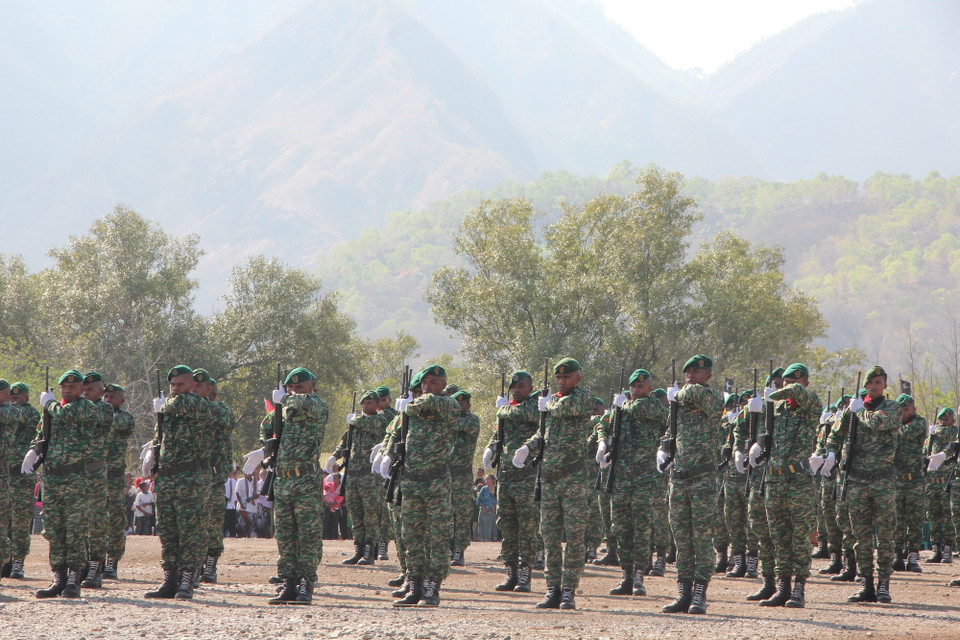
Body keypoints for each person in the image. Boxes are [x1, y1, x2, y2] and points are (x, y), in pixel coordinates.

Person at [513, 357, 593, 611]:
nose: (561, 381)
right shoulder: (552, 402)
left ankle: (568, 590)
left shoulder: (581, 398)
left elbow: (564, 409)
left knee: (575, 537)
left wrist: (547, 405)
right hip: (548, 479)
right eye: (558, 377)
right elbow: (543, 432)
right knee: (549, 537)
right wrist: (528, 446)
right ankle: (552, 589)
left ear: (577, 378)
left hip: (573, 480)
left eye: (566, 377)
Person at [249, 366, 328, 604]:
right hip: (282, 480)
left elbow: (306, 404)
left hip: (305, 480)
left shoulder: (315, 404)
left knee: (307, 535)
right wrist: (266, 449)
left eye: (299, 387)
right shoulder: (280, 412)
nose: (294, 391)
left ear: (311, 387)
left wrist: (285, 399)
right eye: (290, 387)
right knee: (285, 536)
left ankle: (305, 584)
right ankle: (288, 583)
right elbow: (266, 429)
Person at [824, 365, 901, 603]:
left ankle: (884, 585)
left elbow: (878, 424)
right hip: (856, 480)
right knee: (861, 536)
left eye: (879, 382)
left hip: (882, 481)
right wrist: (827, 453)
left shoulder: (892, 408)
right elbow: (834, 434)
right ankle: (866, 584)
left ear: (885, 386)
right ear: (865, 386)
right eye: (871, 383)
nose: (874, 386)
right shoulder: (854, 410)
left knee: (886, 535)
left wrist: (858, 411)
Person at [385, 364, 459, 607]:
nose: (427, 387)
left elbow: (432, 403)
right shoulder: (411, 411)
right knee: (412, 536)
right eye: (425, 382)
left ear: (443, 386)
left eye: (434, 383)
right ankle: (415, 584)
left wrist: (410, 405)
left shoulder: (446, 405)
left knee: (438, 537)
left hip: (436, 482)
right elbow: (396, 434)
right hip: (411, 481)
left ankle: (432, 587)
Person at [21, 370, 99, 598]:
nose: (67, 390)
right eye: (64, 386)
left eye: (72, 387)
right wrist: (34, 449)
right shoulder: (53, 410)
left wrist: (50, 403)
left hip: (75, 478)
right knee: (54, 530)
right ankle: (59, 577)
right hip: (52, 478)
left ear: (82, 389)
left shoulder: (85, 408)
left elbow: (64, 415)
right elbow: (42, 434)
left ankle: (74, 579)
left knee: (74, 529)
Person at [749, 363, 821, 608]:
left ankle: (799, 589)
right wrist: (758, 445)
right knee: (778, 537)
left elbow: (798, 394)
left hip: (798, 479)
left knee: (799, 538)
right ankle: (783, 588)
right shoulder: (775, 409)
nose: (790, 385)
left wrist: (774, 393)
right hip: (774, 479)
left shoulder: (810, 403)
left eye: (795, 382)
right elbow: (765, 435)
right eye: (787, 381)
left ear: (806, 383)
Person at [657, 355, 724, 615]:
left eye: (697, 372)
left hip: (703, 477)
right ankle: (683, 592)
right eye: (688, 372)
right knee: (682, 539)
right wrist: (663, 450)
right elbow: (672, 432)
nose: (691, 376)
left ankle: (700, 594)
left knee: (701, 538)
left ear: (708, 375)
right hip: (680, 478)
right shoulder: (680, 403)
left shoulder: (711, 397)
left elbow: (706, 400)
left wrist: (680, 393)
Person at [143, 364, 213, 600]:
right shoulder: (168, 411)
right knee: (168, 529)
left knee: (190, 530)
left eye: (180, 384)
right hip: (169, 477)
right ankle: (170, 579)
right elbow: (159, 437)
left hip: (191, 478)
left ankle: (187, 580)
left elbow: (180, 404)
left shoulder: (196, 404)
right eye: (172, 385)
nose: (174, 389)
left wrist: (163, 407)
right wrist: (153, 454)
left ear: (192, 386)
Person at [597, 369, 667, 598]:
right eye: (633, 387)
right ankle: (626, 576)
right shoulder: (620, 409)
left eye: (640, 386)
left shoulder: (652, 405)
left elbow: (640, 409)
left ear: (649, 388)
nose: (636, 390)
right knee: (621, 528)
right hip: (620, 478)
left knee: (641, 528)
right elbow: (601, 425)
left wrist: (619, 407)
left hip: (644, 478)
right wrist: (603, 445)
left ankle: (639, 577)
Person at [482, 369, 540, 593]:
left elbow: (524, 415)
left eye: (521, 386)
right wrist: (490, 447)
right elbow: (499, 434)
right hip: (506, 475)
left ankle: (525, 574)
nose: (516, 390)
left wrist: (503, 408)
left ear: (530, 389)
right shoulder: (507, 410)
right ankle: (511, 572)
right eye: (513, 387)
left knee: (526, 526)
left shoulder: (535, 407)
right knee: (506, 524)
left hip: (526, 476)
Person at [737, 369, 784, 602]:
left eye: (781, 384)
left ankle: (786, 584)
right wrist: (740, 449)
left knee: (781, 534)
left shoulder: (788, 410)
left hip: (780, 478)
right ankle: (768, 582)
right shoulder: (753, 409)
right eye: (773, 384)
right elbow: (739, 431)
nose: (777, 388)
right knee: (760, 531)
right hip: (758, 478)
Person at [329, 390, 387, 565]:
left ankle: (370, 551)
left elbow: (370, 425)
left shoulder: (379, 420)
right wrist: (335, 456)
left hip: (370, 477)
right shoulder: (356, 424)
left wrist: (353, 420)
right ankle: (358, 549)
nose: (365, 406)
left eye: (369, 403)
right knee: (355, 514)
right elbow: (345, 442)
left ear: (377, 405)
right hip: (353, 475)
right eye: (363, 403)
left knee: (370, 515)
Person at [78, 371, 113, 589]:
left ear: (101, 392)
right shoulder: (75, 408)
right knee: (77, 521)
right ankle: (79, 564)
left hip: (94, 473)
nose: (84, 393)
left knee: (97, 523)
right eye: (83, 388)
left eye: (89, 389)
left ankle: (95, 567)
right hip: (74, 473)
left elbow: (91, 416)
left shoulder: (104, 408)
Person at [199, 375, 236, 583]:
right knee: (195, 523)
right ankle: (195, 564)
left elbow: (218, 416)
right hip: (194, 475)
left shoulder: (221, 410)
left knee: (212, 524)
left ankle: (210, 564)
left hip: (213, 476)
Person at [101, 383, 136, 580]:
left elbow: (111, 423)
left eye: (111, 397)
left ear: (121, 400)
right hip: (94, 475)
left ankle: (112, 561)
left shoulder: (124, 418)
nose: (107, 400)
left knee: (115, 521)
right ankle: (94, 561)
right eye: (105, 396)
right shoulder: (96, 413)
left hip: (114, 477)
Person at [7, 382, 39, 579]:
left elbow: (17, 414)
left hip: (21, 475)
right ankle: (6, 559)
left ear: (26, 398)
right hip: (5, 473)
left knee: (20, 519)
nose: (15, 400)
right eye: (11, 397)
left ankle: (18, 561)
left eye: (18, 397)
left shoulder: (30, 413)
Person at [892, 394, 926, 573]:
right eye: (899, 410)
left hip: (914, 481)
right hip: (897, 480)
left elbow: (904, 433)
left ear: (913, 410)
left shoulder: (919, 423)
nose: (902, 413)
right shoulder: (894, 423)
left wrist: (889, 423)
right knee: (897, 519)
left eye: (906, 409)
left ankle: (912, 556)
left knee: (914, 520)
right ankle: (897, 554)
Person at [449, 390, 481, 566]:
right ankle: (448, 547)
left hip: (461, 474)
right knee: (446, 514)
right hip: (445, 473)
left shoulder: (471, 420)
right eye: (456, 404)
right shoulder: (449, 421)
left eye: (462, 404)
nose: (459, 406)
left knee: (461, 514)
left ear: (468, 405)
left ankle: (458, 550)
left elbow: (458, 425)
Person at [924, 407, 957, 564]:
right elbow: (926, 452)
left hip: (946, 483)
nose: (943, 422)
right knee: (933, 516)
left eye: (946, 419)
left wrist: (934, 433)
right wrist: (930, 437)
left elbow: (949, 445)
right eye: (941, 420)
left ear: (953, 421)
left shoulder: (953, 432)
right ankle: (936, 548)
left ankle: (948, 549)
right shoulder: (933, 435)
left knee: (947, 516)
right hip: (932, 482)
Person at [476, 474, 498, 541]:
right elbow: (479, 500)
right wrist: (483, 507)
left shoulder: (496, 489)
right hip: (484, 511)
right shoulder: (484, 489)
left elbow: (500, 499)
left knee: (494, 526)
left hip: (493, 512)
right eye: (486, 479)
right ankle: (483, 539)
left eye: (488, 479)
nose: (486, 480)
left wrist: (495, 507)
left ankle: (494, 539)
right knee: (483, 526)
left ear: (493, 480)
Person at [223, 467, 239, 538]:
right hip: (231, 507)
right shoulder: (234, 482)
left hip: (227, 507)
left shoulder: (225, 481)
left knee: (225, 527)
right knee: (232, 528)